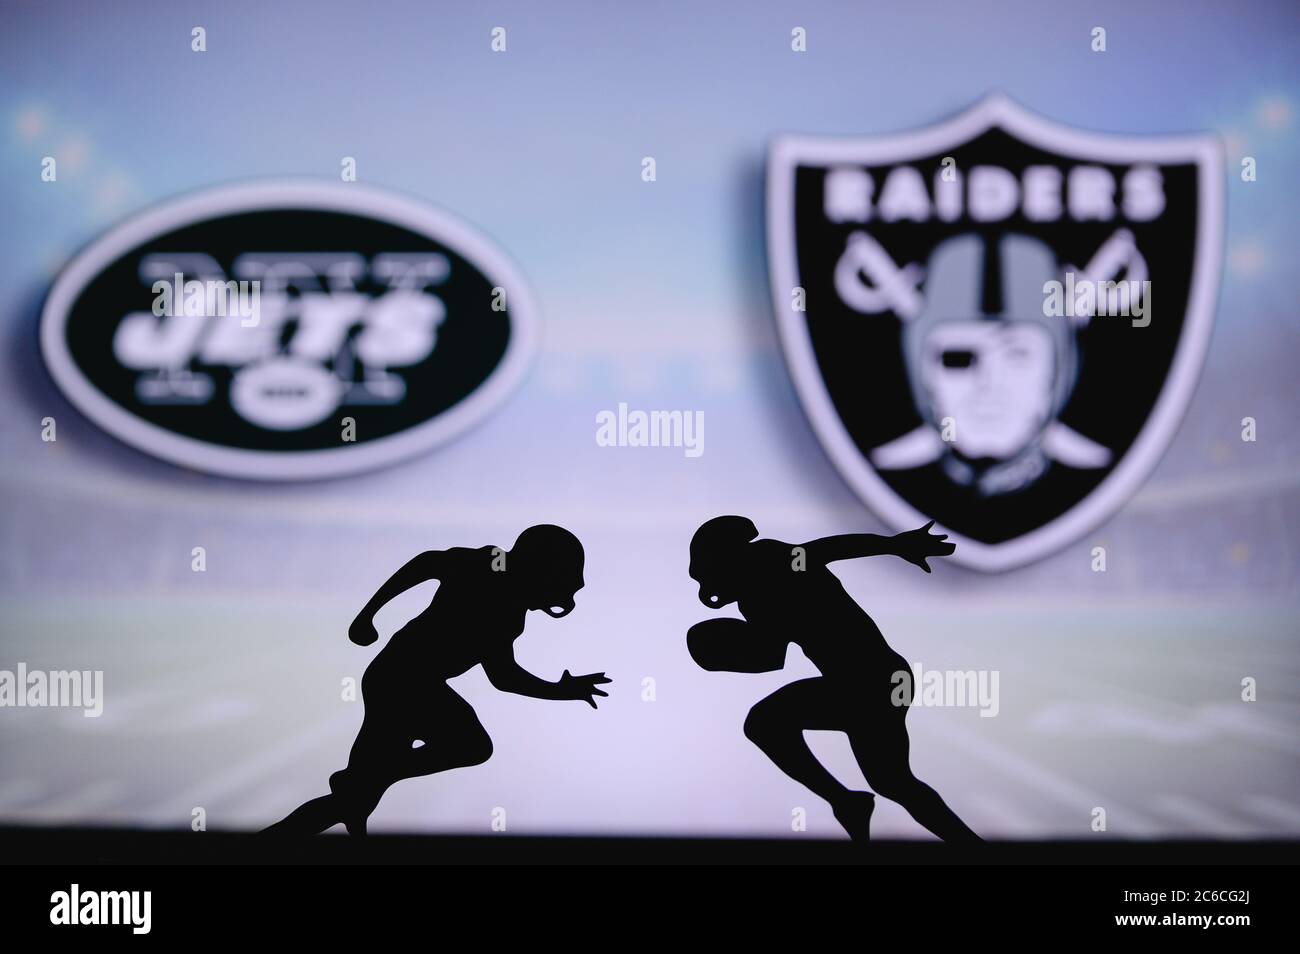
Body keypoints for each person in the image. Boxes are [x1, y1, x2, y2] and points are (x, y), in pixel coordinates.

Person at [267, 524, 610, 835]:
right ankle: (373, 777)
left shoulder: (503, 590)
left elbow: (502, 674)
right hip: (404, 682)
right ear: (540, 571)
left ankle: (352, 791)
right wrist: (367, 614)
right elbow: (431, 564)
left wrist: (369, 613)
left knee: (352, 802)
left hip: (403, 680)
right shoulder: (494, 579)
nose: (563, 599)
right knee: (470, 746)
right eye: (560, 584)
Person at [687, 516, 980, 843]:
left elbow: (828, 549)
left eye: (706, 576)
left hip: (867, 681)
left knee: (764, 723)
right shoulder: (755, 596)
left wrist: (894, 545)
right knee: (892, 782)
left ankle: (846, 802)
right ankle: (958, 841)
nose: (707, 592)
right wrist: (725, 645)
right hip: (874, 680)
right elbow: (770, 655)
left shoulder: (771, 562)